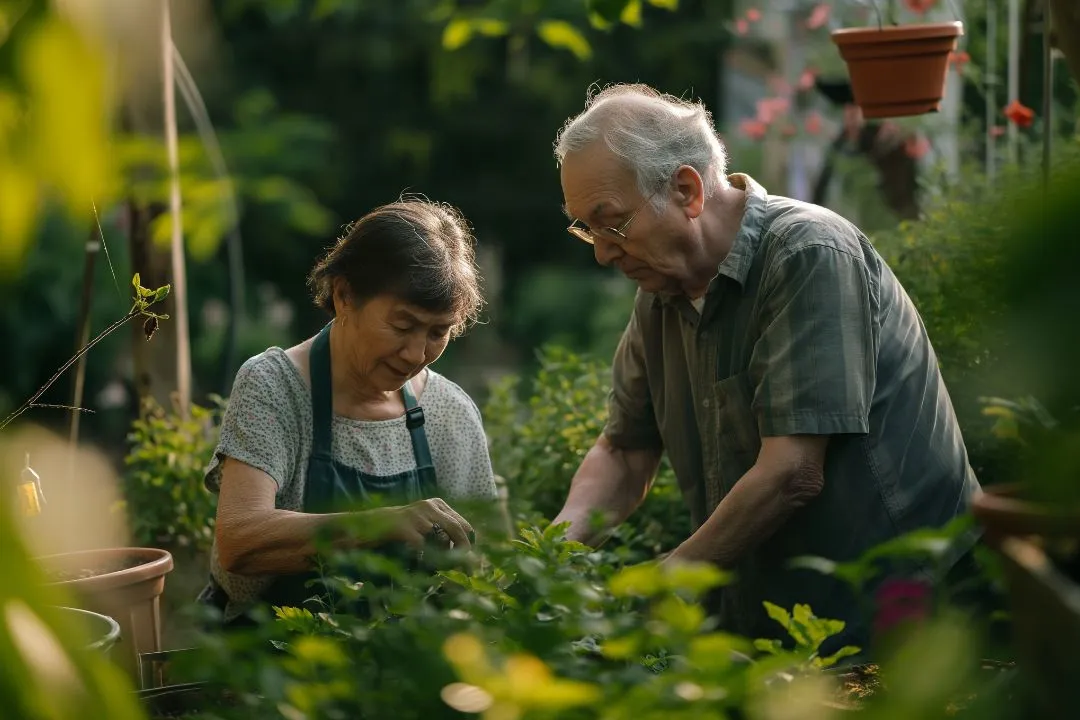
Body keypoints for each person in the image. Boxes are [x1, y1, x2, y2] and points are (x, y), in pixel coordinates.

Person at [549, 84, 982, 657]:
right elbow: (626, 452)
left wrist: (667, 580)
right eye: (586, 229)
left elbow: (792, 471)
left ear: (686, 189)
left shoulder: (809, 254)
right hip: (789, 629)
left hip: (907, 620)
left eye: (612, 224)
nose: (602, 252)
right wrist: (549, 557)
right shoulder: (660, 293)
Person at [198, 198, 501, 627]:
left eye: (438, 332)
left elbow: (483, 564)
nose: (417, 354)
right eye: (402, 325)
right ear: (344, 296)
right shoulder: (276, 386)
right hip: (270, 655)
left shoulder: (449, 412)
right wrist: (377, 525)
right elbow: (239, 541)